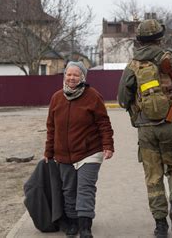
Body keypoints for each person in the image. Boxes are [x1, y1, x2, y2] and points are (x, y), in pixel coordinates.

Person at [117, 19, 172, 237]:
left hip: (146, 129)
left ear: (139, 41)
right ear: (160, 38)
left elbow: (122, 100)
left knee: (153, 178)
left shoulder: (132, 66)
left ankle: (161, 226)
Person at [44, 61, 114, 238]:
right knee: (69, 190)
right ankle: (73, 223)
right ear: (64, 76)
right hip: (64, 154)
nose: (72, 78)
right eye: (69, 74)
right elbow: (51, 127)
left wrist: (108, 145)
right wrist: (48, 152)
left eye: (76, 74)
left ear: (83, 77)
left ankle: (85, 227)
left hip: (89, 152)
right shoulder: (56, 98)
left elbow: (103, 123)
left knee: (85, 188)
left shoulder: (93, 96)